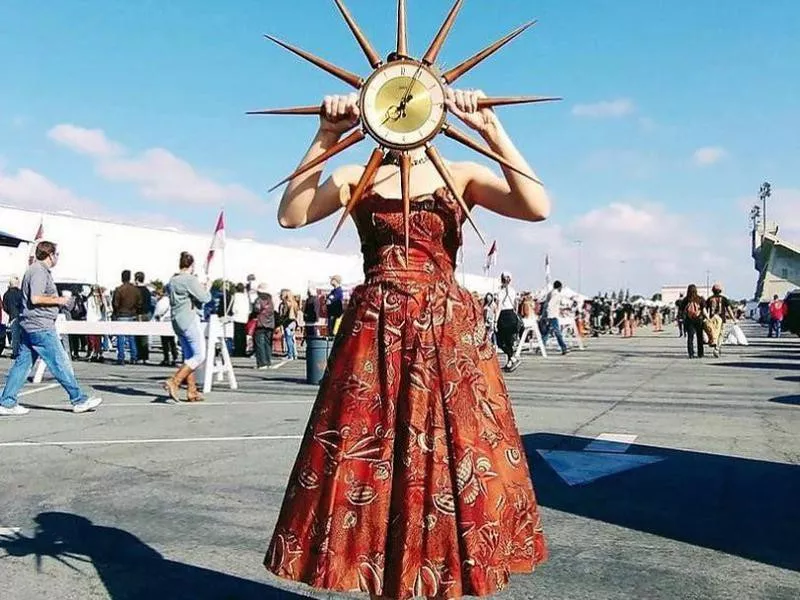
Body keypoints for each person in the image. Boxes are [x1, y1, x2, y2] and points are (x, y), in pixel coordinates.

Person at [264, 88, 548, 599]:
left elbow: (536, 206)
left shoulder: (459, 174)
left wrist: (492, 129)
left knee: (452, 459)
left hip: (446, 332)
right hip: (375, 334)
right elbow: (292, 214)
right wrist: (325, 135)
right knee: (372, 462)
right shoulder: (356, 175)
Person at [0, 241, 102, 416]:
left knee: (22, 364)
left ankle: (7, 401)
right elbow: (36, 298)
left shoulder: (34, 270)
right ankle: (78, 399)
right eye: (57, 254)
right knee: (59, 362)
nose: (58, 258)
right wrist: (59, 300)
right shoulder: (39, 271)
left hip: (30, 325)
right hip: (41, 326)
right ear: (50, 255)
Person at [163, 252, 211, 402]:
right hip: (189, 319)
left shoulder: (172, 281)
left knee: (189, 356)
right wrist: (207, 287)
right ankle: (175, 381)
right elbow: (204, 298)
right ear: (192, 265)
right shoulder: (190, 280)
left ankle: (192, 391)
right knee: (199, 356)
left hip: (176, 320)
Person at [112, 270, 141, 365]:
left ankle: (121, 358)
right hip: (132, 315)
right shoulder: (135, 290)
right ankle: (134, 357)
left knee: (121, 337)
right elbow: (139, 303)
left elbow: (115, 304)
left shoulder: (119, 289)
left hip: (121, 315)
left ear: (122, 277)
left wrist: (116, 312)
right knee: (132, 337)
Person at [495, 271, 522, 371]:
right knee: (509, 341)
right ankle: (510, 362)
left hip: (503, 315)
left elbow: (498, 307)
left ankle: (513, 358)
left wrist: (495, 321)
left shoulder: (499, 291)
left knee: (500, 341)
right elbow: (516, 305)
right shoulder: (513, 291)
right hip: (512, 315)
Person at [705, 283, 735, 357]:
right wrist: (733, 318)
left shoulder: (709, 299)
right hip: (722, 319)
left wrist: (706, 318)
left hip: (712, 319)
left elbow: (705, 309)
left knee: (714, 333)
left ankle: (714, 343)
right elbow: (729, 309)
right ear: (720, 291)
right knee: (721, 334)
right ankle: (717, 348)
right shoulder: (724, 299)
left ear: (713, 291)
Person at [541, 280, 569, 355]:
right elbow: (550, 305)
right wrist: (548, 315)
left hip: (549, 315)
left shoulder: (550, 293)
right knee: (557, 332)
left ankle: (541, 346)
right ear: (559, 287)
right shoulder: (556, 294)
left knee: (546, 333)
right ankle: (563, 347)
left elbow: (547, 304)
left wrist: (544, 315)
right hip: (552, 316)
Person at [153, 284, 178, 366]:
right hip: (171, 321)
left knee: (165, 342)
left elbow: (158, 312)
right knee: (172, 341)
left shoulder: (162, 301)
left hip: (164, 322)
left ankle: (166, 358)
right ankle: (175, 357)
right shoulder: (171, 300)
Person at [252, 283, 275, 370]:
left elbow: (256, 309)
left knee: (259, 344)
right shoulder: (270, 299)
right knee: (267, 343)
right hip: (270, 324)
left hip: (260, 323)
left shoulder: (259, 299)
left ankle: (262, 363)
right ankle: (268, 361)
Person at [680, 284, 707, 359]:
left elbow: (681, 310)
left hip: (689, 320)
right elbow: (704, 310)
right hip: (699, 320)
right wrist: (707, 318)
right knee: (700, 337)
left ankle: (691, 353)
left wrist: (682, 319)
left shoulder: (686, 299)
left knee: (690, 338)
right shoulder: (700, 299)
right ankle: (700, 353)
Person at [134, 271, 153, 364]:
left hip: (138, 314)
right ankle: (145, 356)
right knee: (145, 337)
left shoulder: (136, 290)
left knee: (138, 337)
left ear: (136, 279)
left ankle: (139, 356)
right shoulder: (147, 290)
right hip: (147, 314)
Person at [86, 285, 108, 363]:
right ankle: (99, 353)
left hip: (91, 320)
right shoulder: (102, 299)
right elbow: (105, 310)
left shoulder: (90, 298)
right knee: (98, 339)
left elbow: (88, 310)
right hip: (99, 320)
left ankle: (92, 353)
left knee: (92, 339)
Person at [2, 275, 22, 359]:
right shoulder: (20, 293)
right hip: (21, 316)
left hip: (12, 316)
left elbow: (4, 307)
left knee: (14, 336)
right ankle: (21, 352)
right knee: (22, 335)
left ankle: (15, 352)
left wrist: (10, 312)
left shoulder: (6, 294)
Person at [278, 289, 298, 360]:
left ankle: (290, 355)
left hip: (288, 322)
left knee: (288, 339)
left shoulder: (286, 304)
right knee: (291, 339)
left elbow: (283, 314)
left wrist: (281, 321)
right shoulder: (294, 303)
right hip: (293, 322)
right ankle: (293, 353)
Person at [231, 283, 250, 357]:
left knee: (237, 335)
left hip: (237, 317)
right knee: (243, 335)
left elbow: (234, 308)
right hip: (244, 318)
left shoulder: (235, 296)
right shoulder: (246, 297)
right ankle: (243, 350)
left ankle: (237, 351)